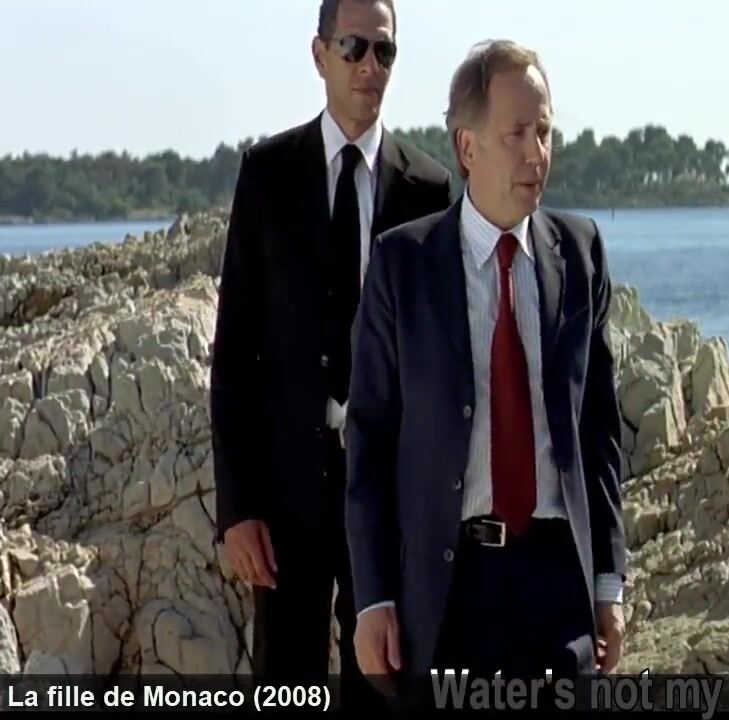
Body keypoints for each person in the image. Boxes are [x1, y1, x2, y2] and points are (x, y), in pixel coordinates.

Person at [344, 39, 627, 698]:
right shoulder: (402, 266)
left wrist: (609, 583)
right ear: (467, 147)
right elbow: (370, 441)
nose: (537, 154)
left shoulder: (580, 253)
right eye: (516, 134)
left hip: (559, 590)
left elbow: (600, 433)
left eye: (545, 132)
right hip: (450, 593)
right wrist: (372, 598)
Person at [209, 0, 454, 708]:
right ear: (320, 56)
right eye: (354, 48)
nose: (370, 66)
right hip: (287, 493)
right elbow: (236, 353)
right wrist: (238, 508)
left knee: (383, 684)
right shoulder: (267, 173)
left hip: (387, 493)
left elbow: (439, 363)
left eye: (385, 51)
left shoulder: (429, 188)